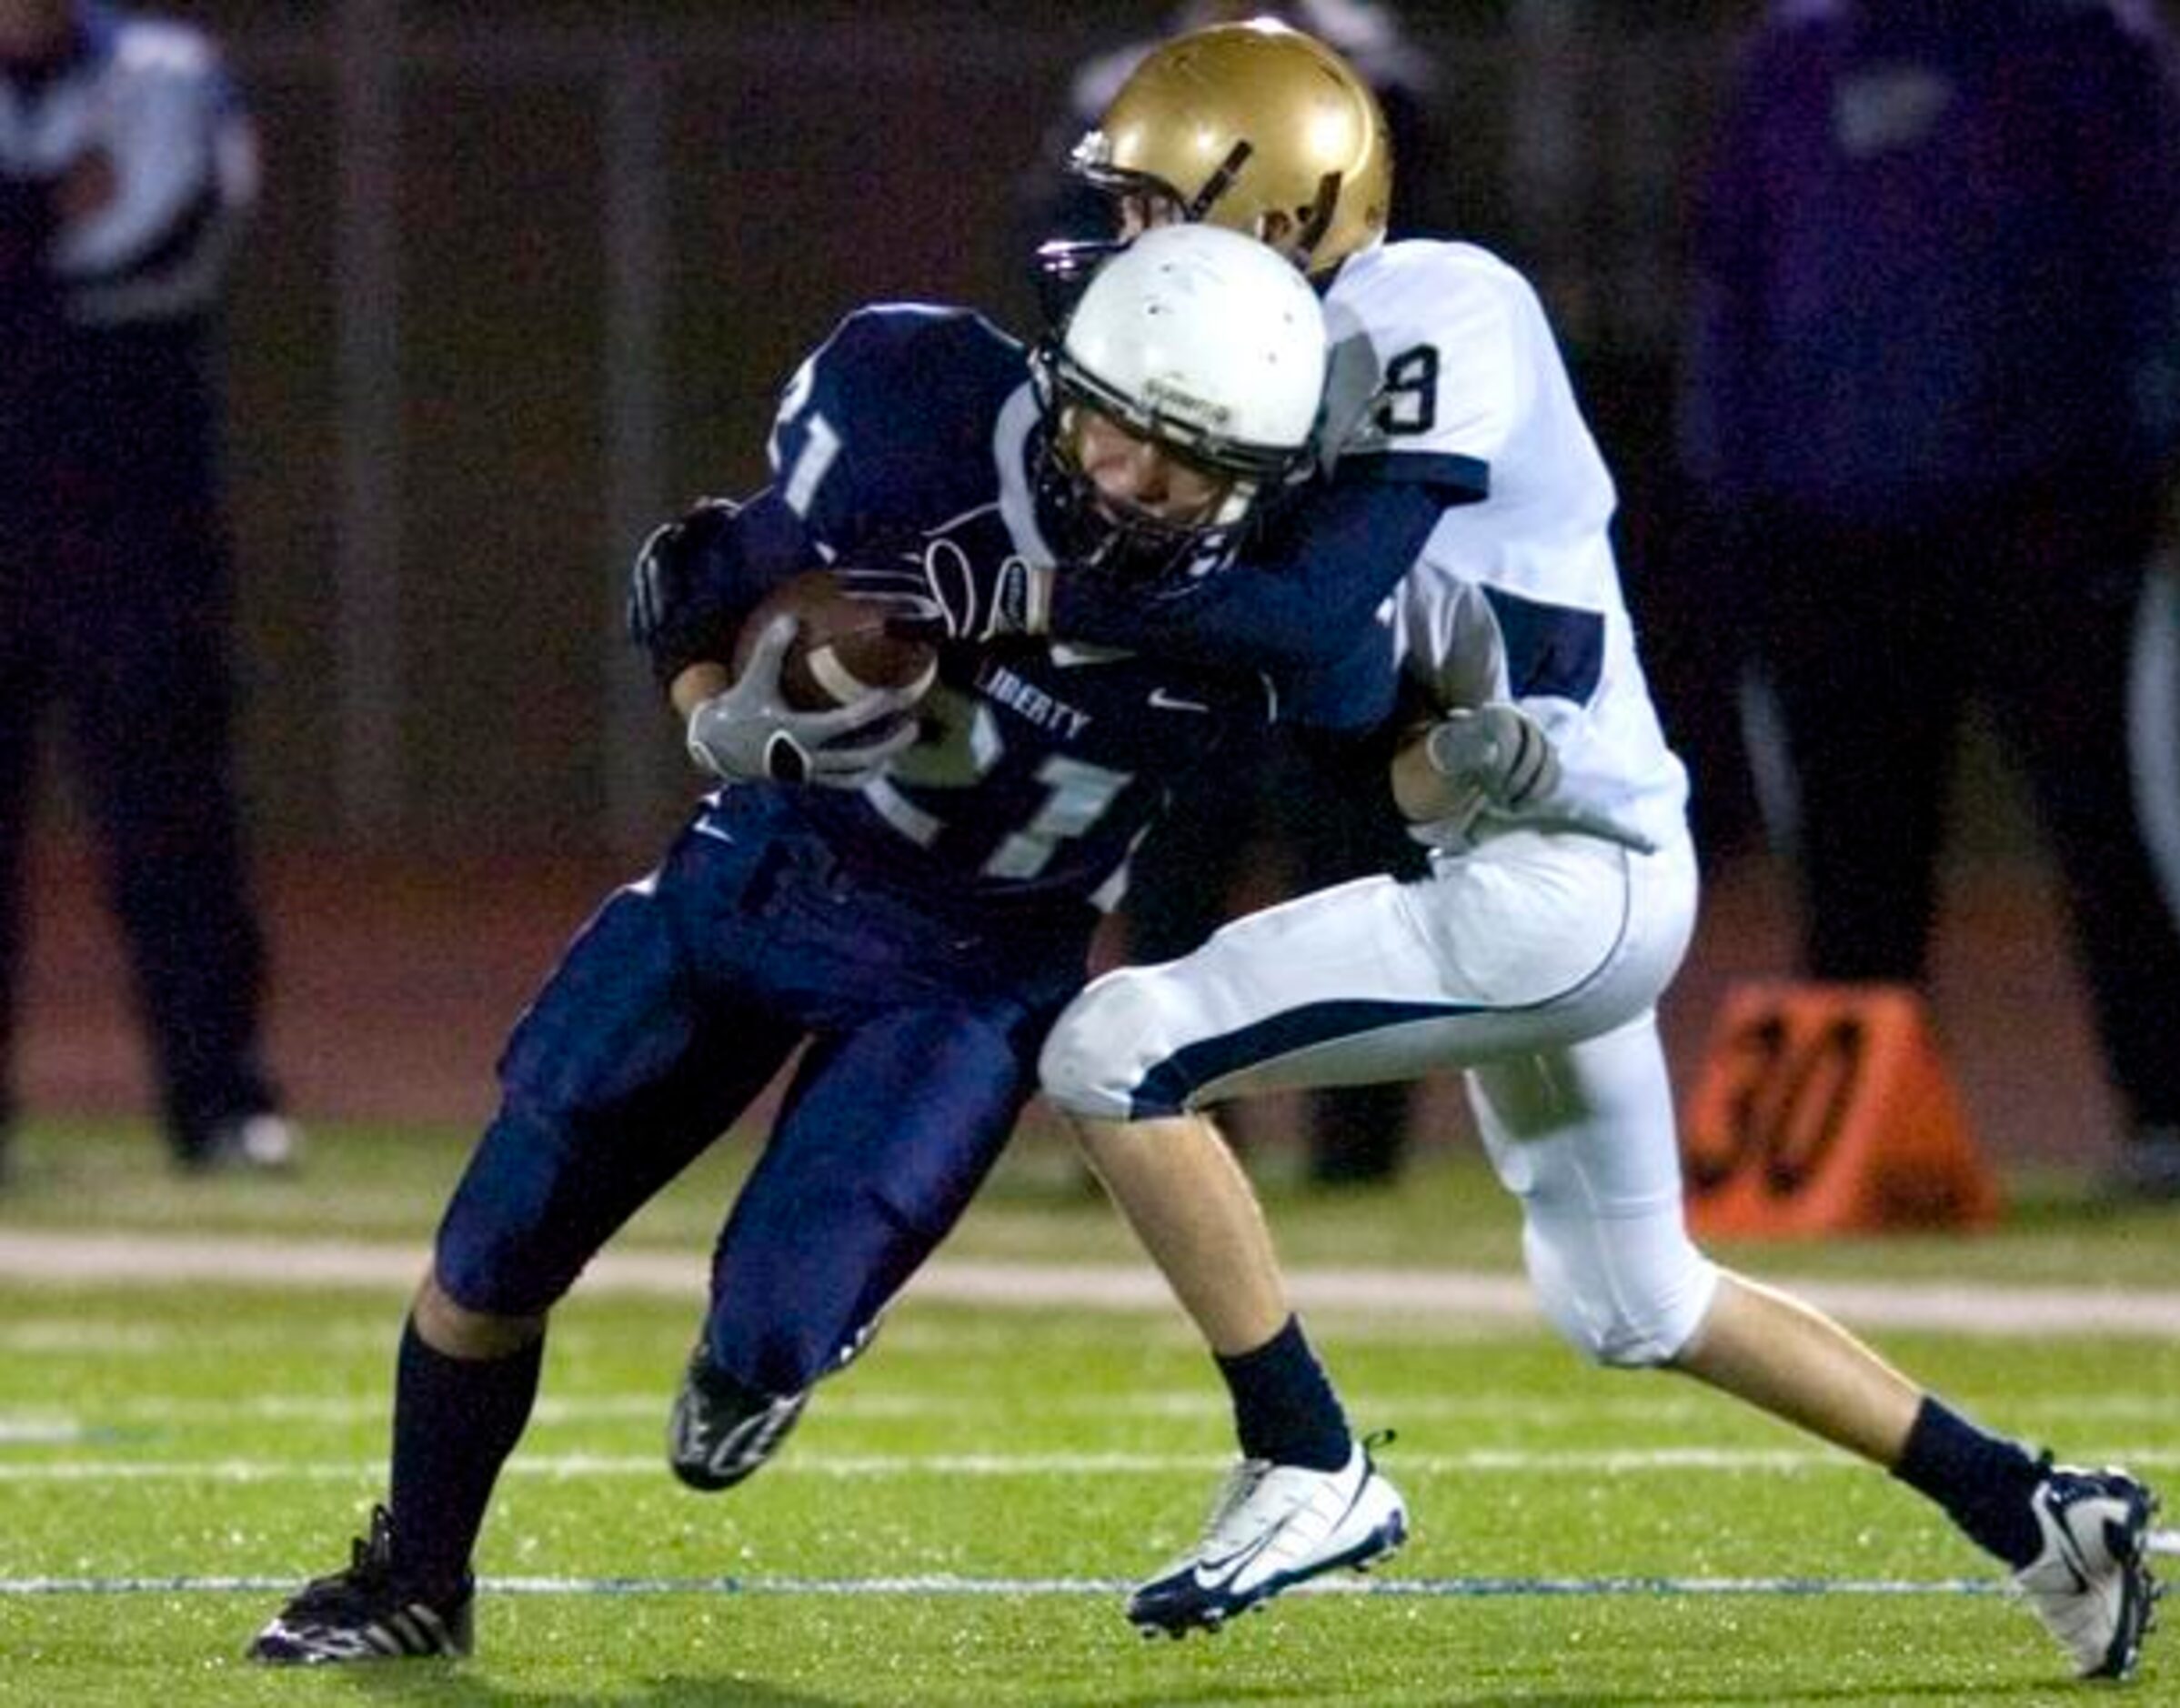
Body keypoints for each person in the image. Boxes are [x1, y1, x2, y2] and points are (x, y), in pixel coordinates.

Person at [962, 21, 2152, 1683]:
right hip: (1508, 845)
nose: (1132, 250)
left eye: (1161, 208)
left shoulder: (1440, 306)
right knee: (1635, 1301)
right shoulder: (1280, 355)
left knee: (1115, 1049)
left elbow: (1309, 617)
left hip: (1565, 873)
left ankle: (1306, 1459)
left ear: (1279, 201)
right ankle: (2033, 1506)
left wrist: (1065, 603)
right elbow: (1347, 683)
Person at [245, 222, 1391, 1665]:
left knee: (772, 1329)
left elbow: (1362, 712)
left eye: (1193, 460)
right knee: (496, 1240)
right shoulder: (920, 416)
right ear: (1062, 379)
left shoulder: (1275, 616)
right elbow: (702, 573)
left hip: (970, 971)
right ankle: (417, 1574)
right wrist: (717, 715)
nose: (1137, 478)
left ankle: (762, 1355)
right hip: (773, 873)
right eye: (1116, 426)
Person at [1676, 0, 2180, 1201]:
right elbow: (1731, 273)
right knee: (1849, 854)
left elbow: (2172, 259)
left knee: (2110, 823)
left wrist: (2121, 468)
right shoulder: (1798, 53)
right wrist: (1738, 478)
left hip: (2041, 513)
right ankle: (1859, 1143)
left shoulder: (2094, 42)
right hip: (1826, 523)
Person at [1025, 0, 1447, 1190]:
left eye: (1154, 202)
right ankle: (1169, 1115)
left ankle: (1355, 1144)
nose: (1127, 231)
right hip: (1194, 524)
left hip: (1325, 549)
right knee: (1170, 832)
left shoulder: (1361, 90)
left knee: (1355, 830)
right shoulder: (1138, 76)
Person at [0, 0, 297, 1178]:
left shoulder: (172, 73)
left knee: (176, 827)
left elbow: (176, 246)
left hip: (133, 525)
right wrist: (44, 212)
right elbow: (92, 243)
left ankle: (220, 1099)